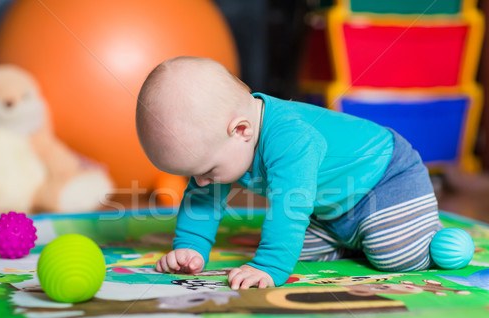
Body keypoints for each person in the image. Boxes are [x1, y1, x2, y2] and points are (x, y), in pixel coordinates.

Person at [135, 56, 442, 290]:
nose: (200, 182)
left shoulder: (290, 138)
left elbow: (290, 206)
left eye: (205, 171)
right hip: (331, 211)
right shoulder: (226, 145)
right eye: (193, 174)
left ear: (241, 129)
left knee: (393, 255)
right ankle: (350, 239)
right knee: (301, 250)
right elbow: (202, 199)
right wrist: (189, 249)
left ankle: (436, 240)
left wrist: (269, 266)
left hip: (388, 180)